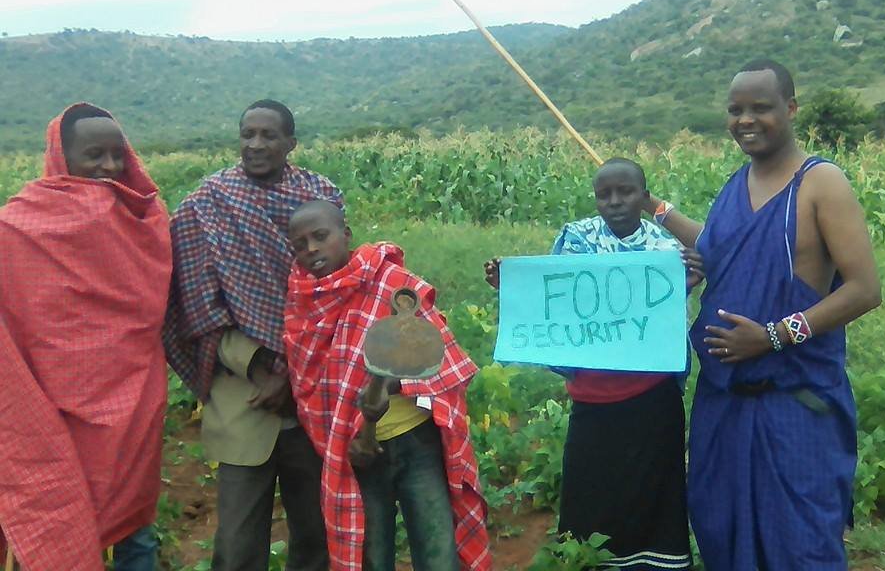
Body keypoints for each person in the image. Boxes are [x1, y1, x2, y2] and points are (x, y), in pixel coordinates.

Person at [643, 60, 882, 570]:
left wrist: (775, 335)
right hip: (723, 402)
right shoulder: (738, 182)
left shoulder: (819, 183)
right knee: (723, 530)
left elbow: (864, 289)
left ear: (790, 109)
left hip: (794, 404)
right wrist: (654, 207)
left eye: (760, 107)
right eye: (735, 110)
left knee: (801, 543)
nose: (745, 120)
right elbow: (719, 247)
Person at [484, 158, 703, 571]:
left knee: (652, 488)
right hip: (592, 398)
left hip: (652, 399)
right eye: (605, 194)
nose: (615, 201)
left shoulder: (666, 250)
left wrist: (688, 281)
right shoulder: (577, 239)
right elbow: (554, 300)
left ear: (644, 196)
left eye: (626, 192)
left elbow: (666, 313)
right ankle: (588, 560)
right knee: (590, 486)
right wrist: (512, 283)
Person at [163, 100, 341, 570]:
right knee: (238, 544)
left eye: (268, 135)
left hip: (314, 394)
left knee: (318, 536)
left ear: (290, 143)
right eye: (248, 134)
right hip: (245, 397)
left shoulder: (319, 198)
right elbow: (199, 311)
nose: (255, 144)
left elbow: (338, 294)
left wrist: (294, 374)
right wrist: (263, 368)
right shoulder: (207, 205)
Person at [0, 103, 171, 570]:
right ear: (62, 156)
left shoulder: (144, 218)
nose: (109, 166)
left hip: (134, 400)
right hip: (54, 406)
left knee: (133, 523)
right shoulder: (17, 227)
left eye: (118, 154)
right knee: (60, 506)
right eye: (94, 155)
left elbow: (153, 307)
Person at [284, 200, 492, 571]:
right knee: (371, 556)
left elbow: (435, 354)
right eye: (301, 245)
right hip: (358, 453)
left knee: (437, 552)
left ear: (345, 235)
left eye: (320, 236)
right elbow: (311, 384)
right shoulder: (303, 303)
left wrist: (393, 381)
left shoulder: (390, 283)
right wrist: (351, 437)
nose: (312, 249)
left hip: (417, 441)